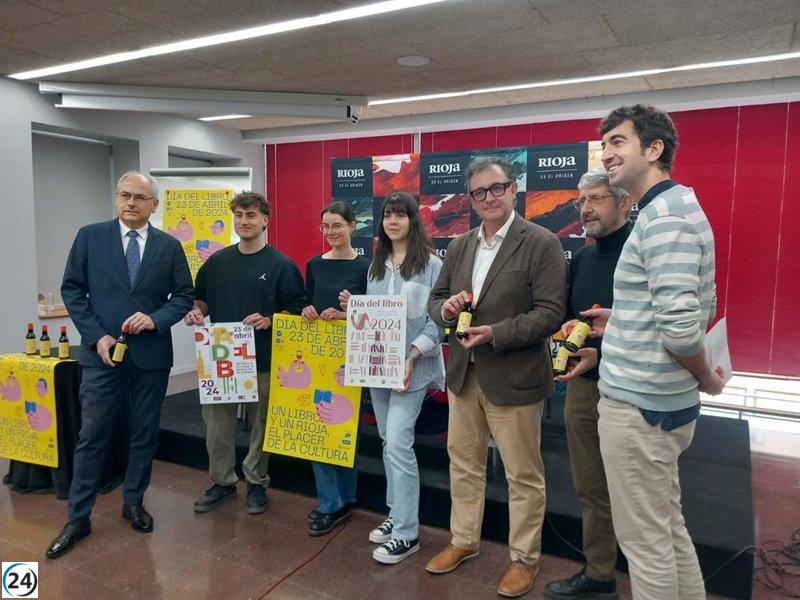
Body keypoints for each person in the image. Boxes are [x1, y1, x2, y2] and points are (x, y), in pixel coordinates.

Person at [584, 104, 725, 599]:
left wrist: (707, 378)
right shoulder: (669, 209)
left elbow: (683, 331)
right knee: (665, 528)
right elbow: (666, 307)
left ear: (654, 148)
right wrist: (619, 320)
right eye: (604, 145)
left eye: (618, 142)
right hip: (654, 407)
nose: (607, 155)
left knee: (645, 546)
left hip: (641, 411)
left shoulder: (665, 216)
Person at [426, 156, 566, 598]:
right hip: (464, 376)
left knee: (522, 475)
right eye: (479, 192)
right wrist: (445, 310)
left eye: (496, 188)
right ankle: (463, 541)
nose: (488, 198)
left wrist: (497, 333)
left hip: (515, 377)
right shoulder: (461, 245)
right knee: (464, 466)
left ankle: (524, 559)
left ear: (513, 189)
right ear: (469, 199)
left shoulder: (540, 242)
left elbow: (550, 313)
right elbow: (437, 298)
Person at [47, 171, 193, 558]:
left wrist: (155, 318)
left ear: (154, 205)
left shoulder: (169, 246)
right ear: (116, 198)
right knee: (92, 434)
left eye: (139, 197)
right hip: (101, 356)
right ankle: (78, 517)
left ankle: (133, 502)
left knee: (144, 433)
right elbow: (73, 291)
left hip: (151, 356)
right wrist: (98, 336)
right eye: (124, 195)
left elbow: (183, 296)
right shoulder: (90, 237)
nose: (130, 202)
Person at [185, 192, 305, 516]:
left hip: (264, 359)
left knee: (260, 426)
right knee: (217, 427)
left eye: (251, 215)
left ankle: (255, 482)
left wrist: (270, 319)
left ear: (265, 220)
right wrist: (196, 312)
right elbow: (201, 299)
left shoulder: (281, 265)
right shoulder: (217, 262)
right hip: (221, 358)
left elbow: (297, 310)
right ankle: (222, 482)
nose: (243, 221)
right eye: (239, 215)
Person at [341, 191, 444, 565]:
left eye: (400, 214)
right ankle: (395, 513)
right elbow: (374, 318)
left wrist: (413, 355)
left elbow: (438, 321)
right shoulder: (376, 265)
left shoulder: (431, 264)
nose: (393, 221)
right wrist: (354, 310)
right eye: (387, 215)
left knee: (399, 444)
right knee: (388, 442)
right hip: (377, 367)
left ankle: (407, 533)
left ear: (413, 220)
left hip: (412, 369)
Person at [544, 167, 632, 600]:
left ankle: (655, 579)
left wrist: (606, 348)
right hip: (583, 386)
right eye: (582, 201)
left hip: (632, 391)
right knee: (591, 486)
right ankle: (600, 575)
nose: (586, 208)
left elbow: (666, 332)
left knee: (636, 490)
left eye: (596, 198)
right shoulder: (580, 258)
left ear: (624, 202)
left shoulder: (642, 253)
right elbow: (573, 320)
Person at [301, 201, 369, 536]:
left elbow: (374, 317)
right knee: (320, 426)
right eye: (326, 226)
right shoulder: (314, 264)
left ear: (352, 226)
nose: (331, 232)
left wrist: (346, 313)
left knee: (344, 428)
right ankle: (330, 503)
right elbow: (305, 302)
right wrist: (308, 311)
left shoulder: (367, 268)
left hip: (351, 360)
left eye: (337, 226)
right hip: (318, 358)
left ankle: (346, 495)